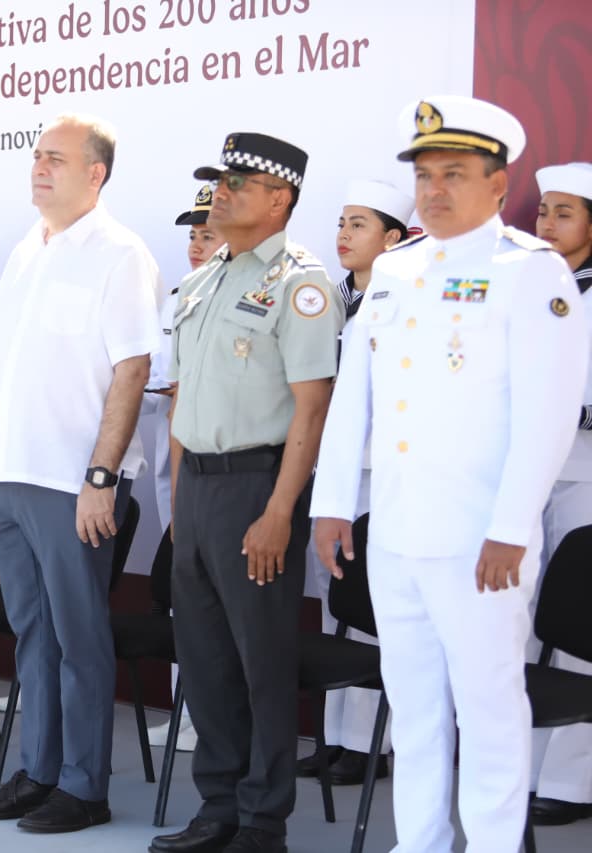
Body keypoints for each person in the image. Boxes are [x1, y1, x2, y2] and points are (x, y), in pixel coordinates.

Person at [312, 96, 587, 852]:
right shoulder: (397, 270)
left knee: (490, 709)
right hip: (397, 535)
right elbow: (353, 399)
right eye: (426, 174)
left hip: (479, 544)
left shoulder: (531, 274)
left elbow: (548, 417)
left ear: (500, 186)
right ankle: (421, 842)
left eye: (455, 174)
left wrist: (511, 527)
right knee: (415, 707)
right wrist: (333, 504)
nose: (433, 190)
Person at [0, 113, 161, 833]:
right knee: (31, 634)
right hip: (11, 476)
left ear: (96, 173)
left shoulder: (120, 253)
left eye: (57, 159)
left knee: (78, 637)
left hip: (75, 482)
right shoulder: (23, 253)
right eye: (36, 156)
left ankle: (83, 784)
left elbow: (133, 368)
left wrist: (102, 477)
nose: (39, 168)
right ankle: (36, 771)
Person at [152, 132, 343, 853]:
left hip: (258, 488)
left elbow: (312, 407)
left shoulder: (300, 283)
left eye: (238, 181)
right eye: (219, 178)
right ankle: (219, 805)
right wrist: (176, 502)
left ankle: (264, 820)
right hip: (198, 491)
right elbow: (183, 400)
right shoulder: (201, 280)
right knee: (204, 656)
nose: (221, 191)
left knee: (260, 657)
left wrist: (279, 510)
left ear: (278, 199)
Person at [298, 178, 413, 787]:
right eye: (341, 222)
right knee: (332, 601)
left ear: (393, 237)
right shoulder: (327, 296)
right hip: (329, 471)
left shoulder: (409, 298)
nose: (343, 234)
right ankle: (336, 738)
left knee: (374, 609)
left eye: (359, 225)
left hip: (382, 471)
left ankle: (375, 744)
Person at [145, 183, 222, 753]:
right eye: (192, 236)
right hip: (166, 450)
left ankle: (211, 713)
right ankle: (184, 709)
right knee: (183, 584)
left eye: (208, 233)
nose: (197, 245)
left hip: (217, 461)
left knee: (213, 593)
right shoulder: (176, 298)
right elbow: (150, 382)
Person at [528, 161, 592, 827]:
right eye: (543, 210)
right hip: (525, 470)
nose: (547, 222)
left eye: (564, 211)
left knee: (576, 623)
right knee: (516, 615)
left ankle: (570, 779)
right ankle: (515, 763)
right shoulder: (524, 285)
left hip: (585, 472)